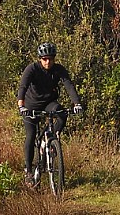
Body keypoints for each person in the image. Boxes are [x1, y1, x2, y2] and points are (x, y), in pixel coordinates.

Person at [17, 42, 83, 183]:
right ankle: (29, 172)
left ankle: (51, 137)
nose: (48, 62)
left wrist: (77, 103)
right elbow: (23, 86)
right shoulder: (32, 69)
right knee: (31, 134)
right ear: (40, 59)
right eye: (45, 59)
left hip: (49, 103)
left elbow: (68, 84)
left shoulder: (58, 69)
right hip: (31, 105)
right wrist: (21, 106)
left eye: (51, 59)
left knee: (62, 113)